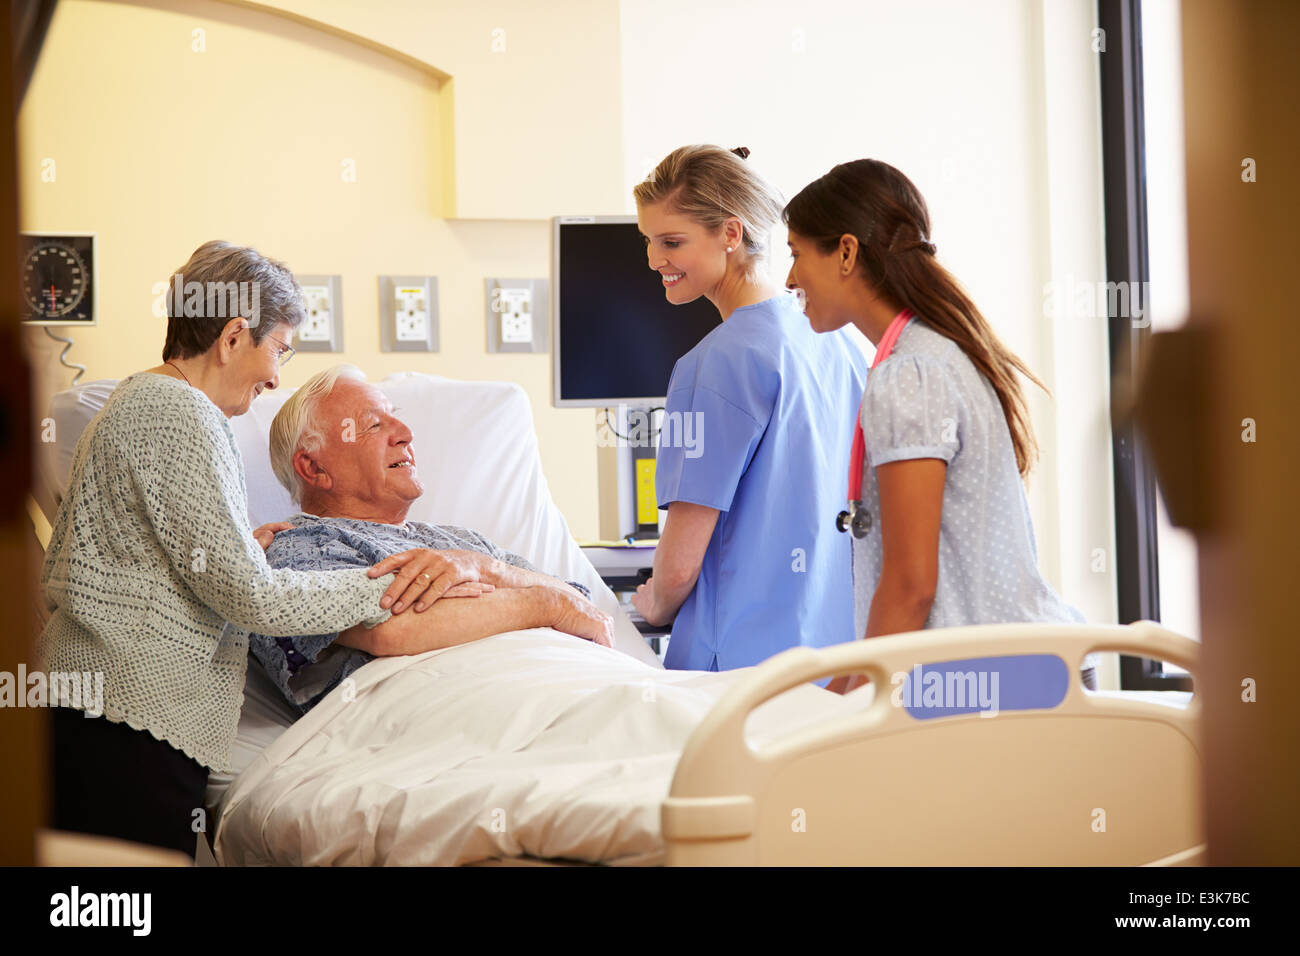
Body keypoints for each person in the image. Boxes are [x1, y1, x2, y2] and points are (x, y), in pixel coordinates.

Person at [36, 241, 455, 856]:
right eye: (278, 350)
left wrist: (237, 547)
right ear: (234, 336)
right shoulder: (183, 414)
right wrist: (386, 583)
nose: (276, 377)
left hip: (93, 711)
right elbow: (255, 599)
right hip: (129, 724)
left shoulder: (134, 400)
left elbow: (133, 556)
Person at [782, 159, 1100, 694]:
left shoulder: (910, 373)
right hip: (1028, 666)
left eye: (795, 254)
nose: (789, 278)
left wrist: (852, 708)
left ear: (845, 252)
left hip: (997, 679)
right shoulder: (936, 351)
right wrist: (840, 689)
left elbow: (910, 587)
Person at [248, 365, 615, 712]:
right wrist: (542, 606)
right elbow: (394, 629)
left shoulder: (464, 546)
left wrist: (488, 570)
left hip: (571, 687)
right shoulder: (295, 549)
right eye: (373, 425)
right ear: (314, 468)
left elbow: (586, 613)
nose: (405, 433)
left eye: (396, 417)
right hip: (457, 716)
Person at [630, 145, 868, 674]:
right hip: (840, 666)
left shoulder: (711, 366)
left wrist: (653, 604)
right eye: (648, 242)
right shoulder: (842, 342)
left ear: (730, 234)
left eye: (671, 242)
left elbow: (678, 566)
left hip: (741, 676)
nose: (653, 260)